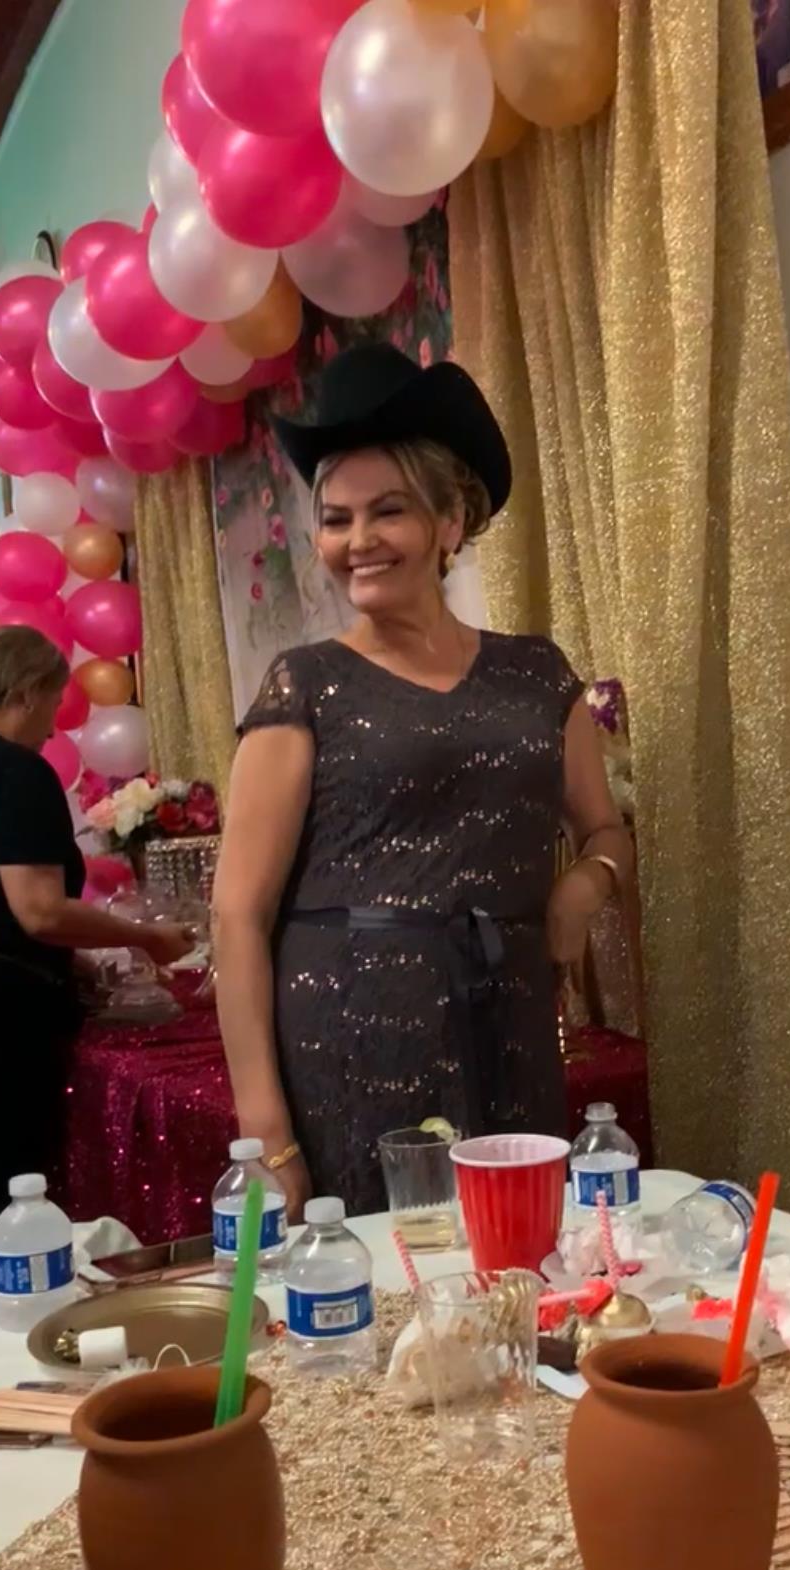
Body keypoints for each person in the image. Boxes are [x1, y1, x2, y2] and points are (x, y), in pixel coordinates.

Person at [213, 343, 634, 1223]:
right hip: (354, 1036)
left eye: (387, 511)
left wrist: (580, 889)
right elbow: (236, 916)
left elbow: (605, 830)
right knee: (379, 1292)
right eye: (335, 519)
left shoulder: (536, 675)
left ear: (451, 521)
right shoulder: (306, 683)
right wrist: (270, 1139)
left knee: (523, 1266)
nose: (355, 542)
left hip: (508, 1022)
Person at [0, 626, 193, 1236]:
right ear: (28, 692)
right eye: (55, 703)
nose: (55, 727)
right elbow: (38, 910)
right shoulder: (15, 771)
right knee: (8, 1190)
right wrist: (147, 937)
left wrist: (76, 963)